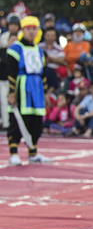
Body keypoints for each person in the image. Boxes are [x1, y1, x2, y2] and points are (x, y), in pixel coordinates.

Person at [6, 16, 52, 165]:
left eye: (34, 29)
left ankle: (33, 153)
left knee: (36, 121)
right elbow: (12, 73)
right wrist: (12, 93)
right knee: (18, 119)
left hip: (36, 87)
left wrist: (45, 93)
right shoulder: (16, 48)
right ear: (23, 31)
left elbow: (43, 73)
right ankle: (13, 153)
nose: (31, 32)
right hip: (22, 86)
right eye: (28, 29)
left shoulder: (39, 50)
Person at [0, 14, 21, 130]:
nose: (13, 27)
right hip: (4, 76)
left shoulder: (22, 37)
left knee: (18, 100)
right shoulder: (3, 37)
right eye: (11, 25)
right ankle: (6, 123)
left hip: (18, 76)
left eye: (15, 25)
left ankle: (18, 123)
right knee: (4, 100)